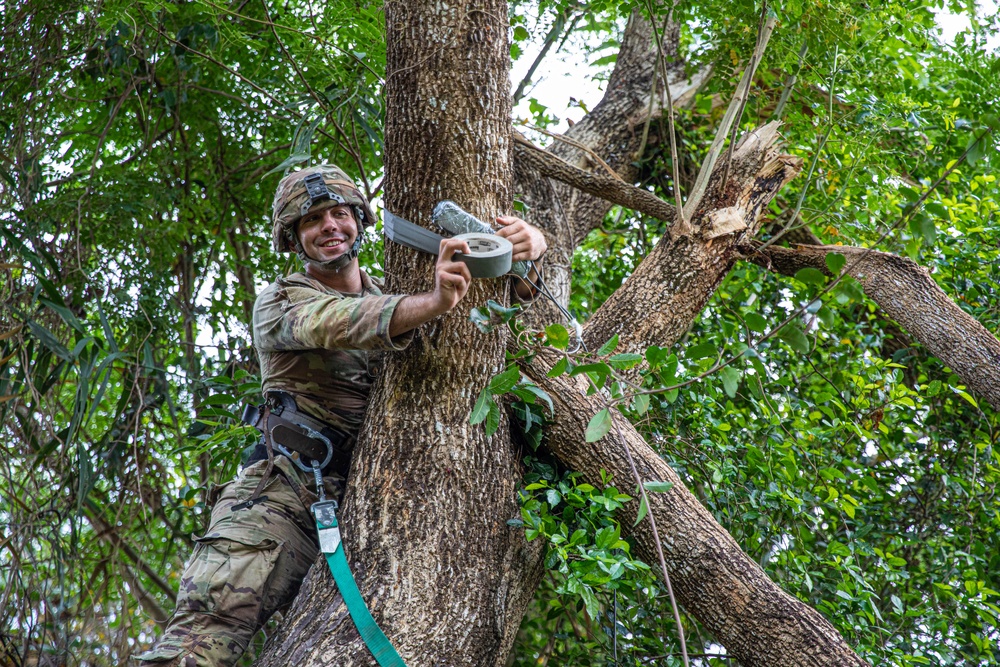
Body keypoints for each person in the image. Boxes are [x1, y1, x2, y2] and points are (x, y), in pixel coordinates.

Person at [134, 165, 547, 667]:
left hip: (368, 508)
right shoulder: (282, 301)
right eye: (312, 220)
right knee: (199, 646)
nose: (330, 226)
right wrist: (435, 300)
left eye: (339, 213)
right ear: (294, 237)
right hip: (280, 498)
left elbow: (499, 332)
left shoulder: (395, 292)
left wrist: (525, 259)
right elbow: (337, 322)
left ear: (359, 219)